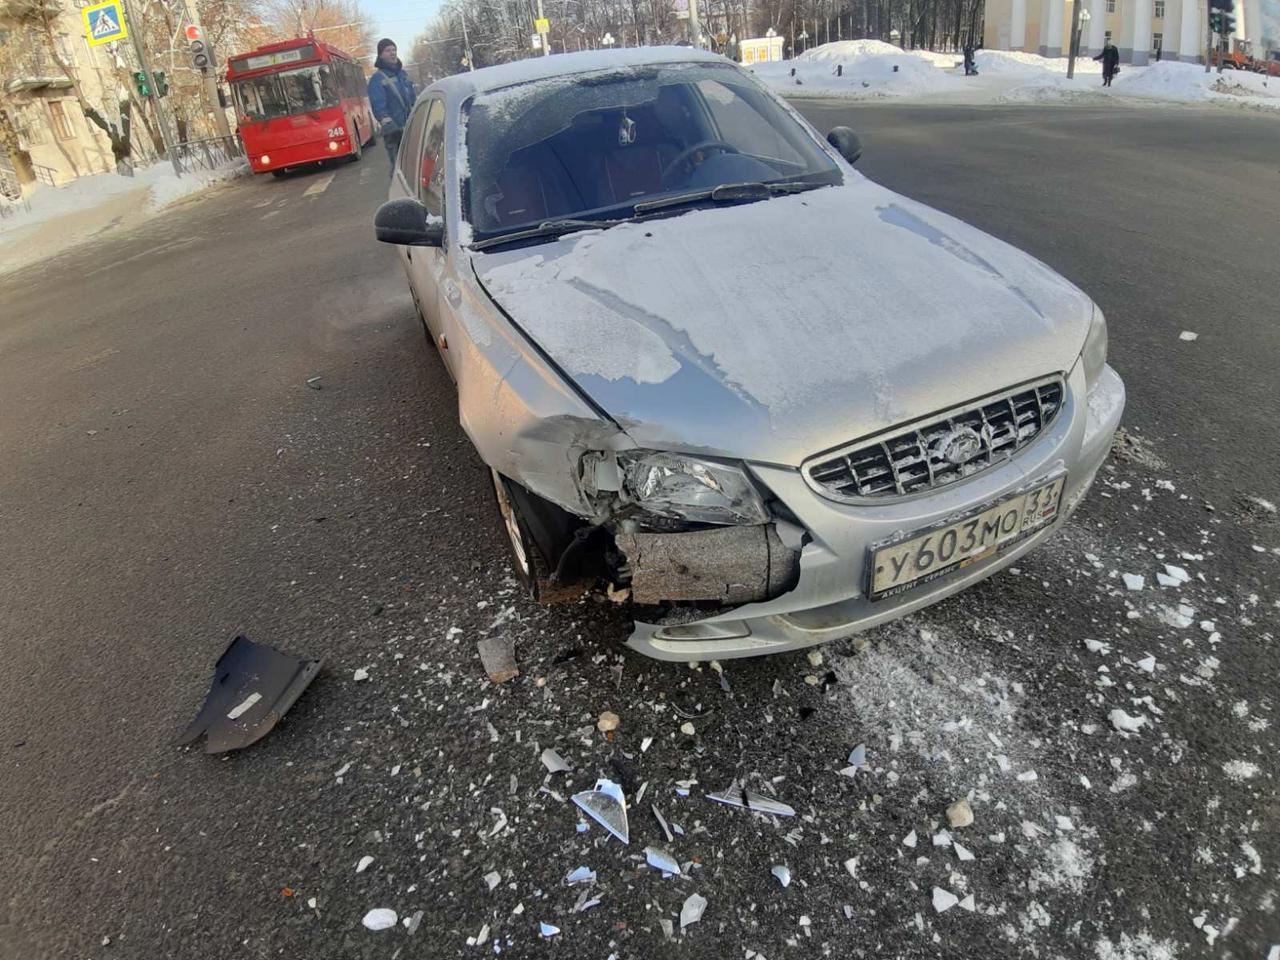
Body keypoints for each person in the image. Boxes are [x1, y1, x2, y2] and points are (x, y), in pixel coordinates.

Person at [367, 38, 416, 172]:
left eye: (394, 49)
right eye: (388, 50)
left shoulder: (403, 74)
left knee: (415, 168)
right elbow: (378, 107)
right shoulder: (377, 79)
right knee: (399, 170)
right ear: (380, 54)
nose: (392, 53)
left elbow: (413, 100)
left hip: (411, 128)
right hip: (395, 134)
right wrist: (391, 127)